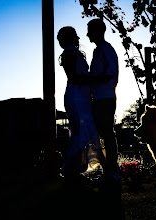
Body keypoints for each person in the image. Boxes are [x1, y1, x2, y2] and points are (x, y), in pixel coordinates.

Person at [57, 26, 106, 182]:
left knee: (82, 131)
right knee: (81, 132)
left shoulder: (73, 53)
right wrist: (96, 79)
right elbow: (74, 78)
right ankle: (69, 168)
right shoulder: (70, 53)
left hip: (81, 96)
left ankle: (75, 169)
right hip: (77, 96)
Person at [87, 19, 120, 182]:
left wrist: (90, 80)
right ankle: (108, 170)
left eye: (89, 31)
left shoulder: (106, 49)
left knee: (107, 133)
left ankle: (112, 171)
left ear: (97, 31)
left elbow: (110, 74)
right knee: (102, 133)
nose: (87, 34)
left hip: (105, 97)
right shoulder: (99, 50)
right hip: (100, 97)